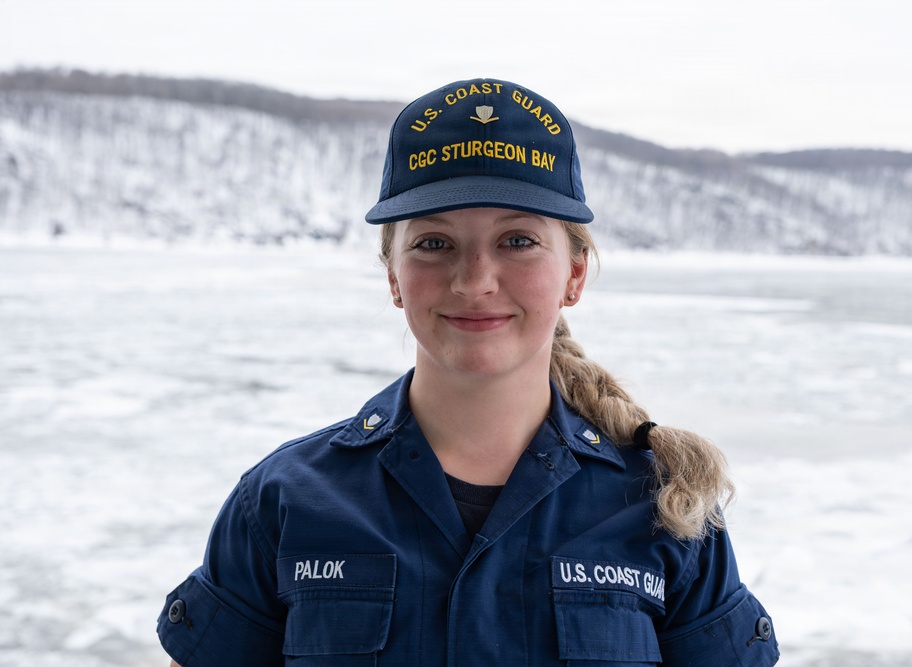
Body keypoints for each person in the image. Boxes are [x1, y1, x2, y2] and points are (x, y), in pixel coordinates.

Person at [157, 78, 779, 666]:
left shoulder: (665, 504)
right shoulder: (284, 500)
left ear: (575, 275)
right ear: (394, 278)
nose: (475, 281)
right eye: (434, 243)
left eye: (518, 241)